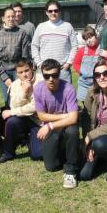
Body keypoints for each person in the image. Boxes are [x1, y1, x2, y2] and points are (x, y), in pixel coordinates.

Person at [34, 59, 80, 188]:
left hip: (64, 126)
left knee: (73, 130)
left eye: (54, 75)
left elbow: (73, 119)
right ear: (42, 75)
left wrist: (50, 125)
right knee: (51, 166)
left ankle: (71, 171)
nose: (50, 79)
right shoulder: (38, 89)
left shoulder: (68, 89)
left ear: (59, 74)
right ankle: (72, 152)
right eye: (46, 76)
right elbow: (41, 115)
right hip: (54, 127)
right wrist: (64, 116)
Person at [0, 58, 42, 164]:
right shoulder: (15, 85)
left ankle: (27, 139)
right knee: (12, 122)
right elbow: (13, 105)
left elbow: (35, 106)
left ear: (32, 69)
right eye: (20, 72)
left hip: (38, 119)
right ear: (17, 73)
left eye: (26, 71)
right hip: (22, 118)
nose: (24, 75)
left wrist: (12, 112)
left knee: (38, 155)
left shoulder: (41, 81)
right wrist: (24, 92)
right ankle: (8, 153)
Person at [0, 6, 32, 106]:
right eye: (8, 17)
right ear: (3, 18)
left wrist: (21, 74)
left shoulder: (22, 33)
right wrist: (4, 77)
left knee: (21, 97)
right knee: (8, 99)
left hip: (19, 71)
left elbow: (25, 56)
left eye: (13, 16)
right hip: (4, 71)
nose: (11, 19)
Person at [31, 0, 78, 83]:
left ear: (59, 11)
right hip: (44, 71)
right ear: (46, 12)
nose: (53, 13)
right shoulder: (40, 27)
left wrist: (68, 63)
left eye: (56, 10)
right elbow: (34, 46)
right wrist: (39, 63)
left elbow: (74, 46)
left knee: (65, 92)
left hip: (63, 71)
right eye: (50, 11)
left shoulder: (68, 26)